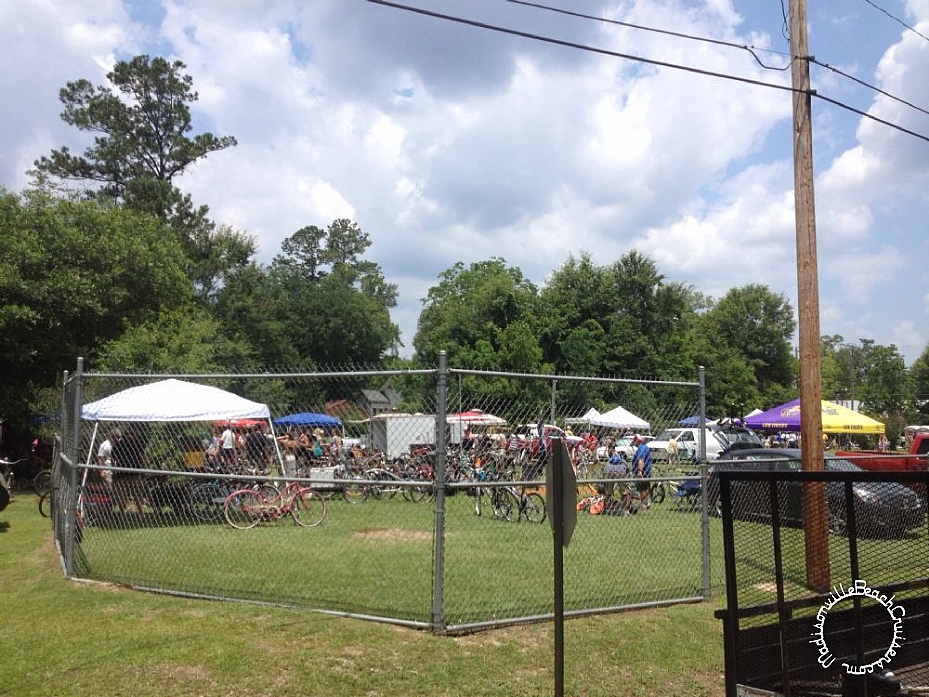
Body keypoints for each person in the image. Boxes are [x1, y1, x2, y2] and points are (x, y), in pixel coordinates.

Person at [111, 428, 146, 513]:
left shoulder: (117, 444)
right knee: (136, 492)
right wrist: (143, 468)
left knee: (122, 492)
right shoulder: (136, 444)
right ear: (132, 435)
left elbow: (113, 459)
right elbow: (142, 457)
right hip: (134, 470)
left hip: (121, 471)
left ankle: (123, 510)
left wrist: (114, 471)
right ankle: (140, 511)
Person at [631, 434, 653, 511]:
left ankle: (643, 504)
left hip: (643, 472)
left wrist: (640, 471)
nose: (634, 443)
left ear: (637, 441)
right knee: (646, 487)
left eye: (634, 441)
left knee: (641, 488)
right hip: (647, 471)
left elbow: (641, 460)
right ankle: (647, 503)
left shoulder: (641, 448)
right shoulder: (644, 447)